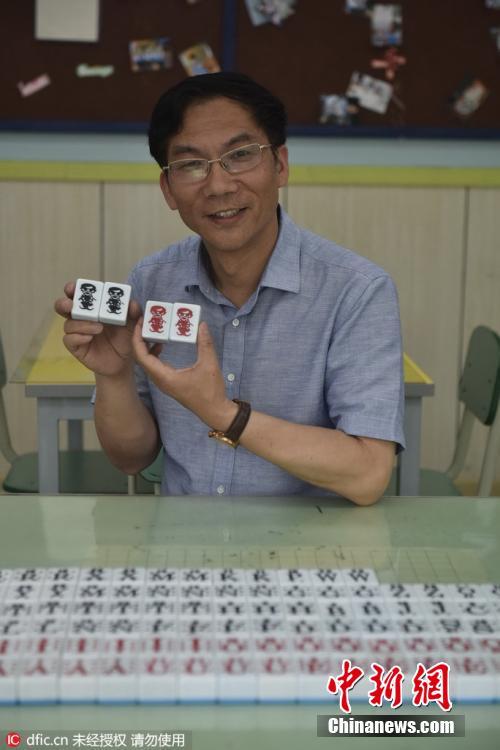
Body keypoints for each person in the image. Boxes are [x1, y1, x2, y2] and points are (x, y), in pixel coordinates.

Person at [55, 72, 405, 504]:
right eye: (190, 164)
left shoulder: (357, 291)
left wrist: (221, 412)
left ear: (280, 165)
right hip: (184, 544)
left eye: (240, 155)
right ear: (168, 188)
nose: (218, 185)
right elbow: (131, 459)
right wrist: (114, 377)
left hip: (309, 547)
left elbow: (369, 474)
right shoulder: (151, 281)